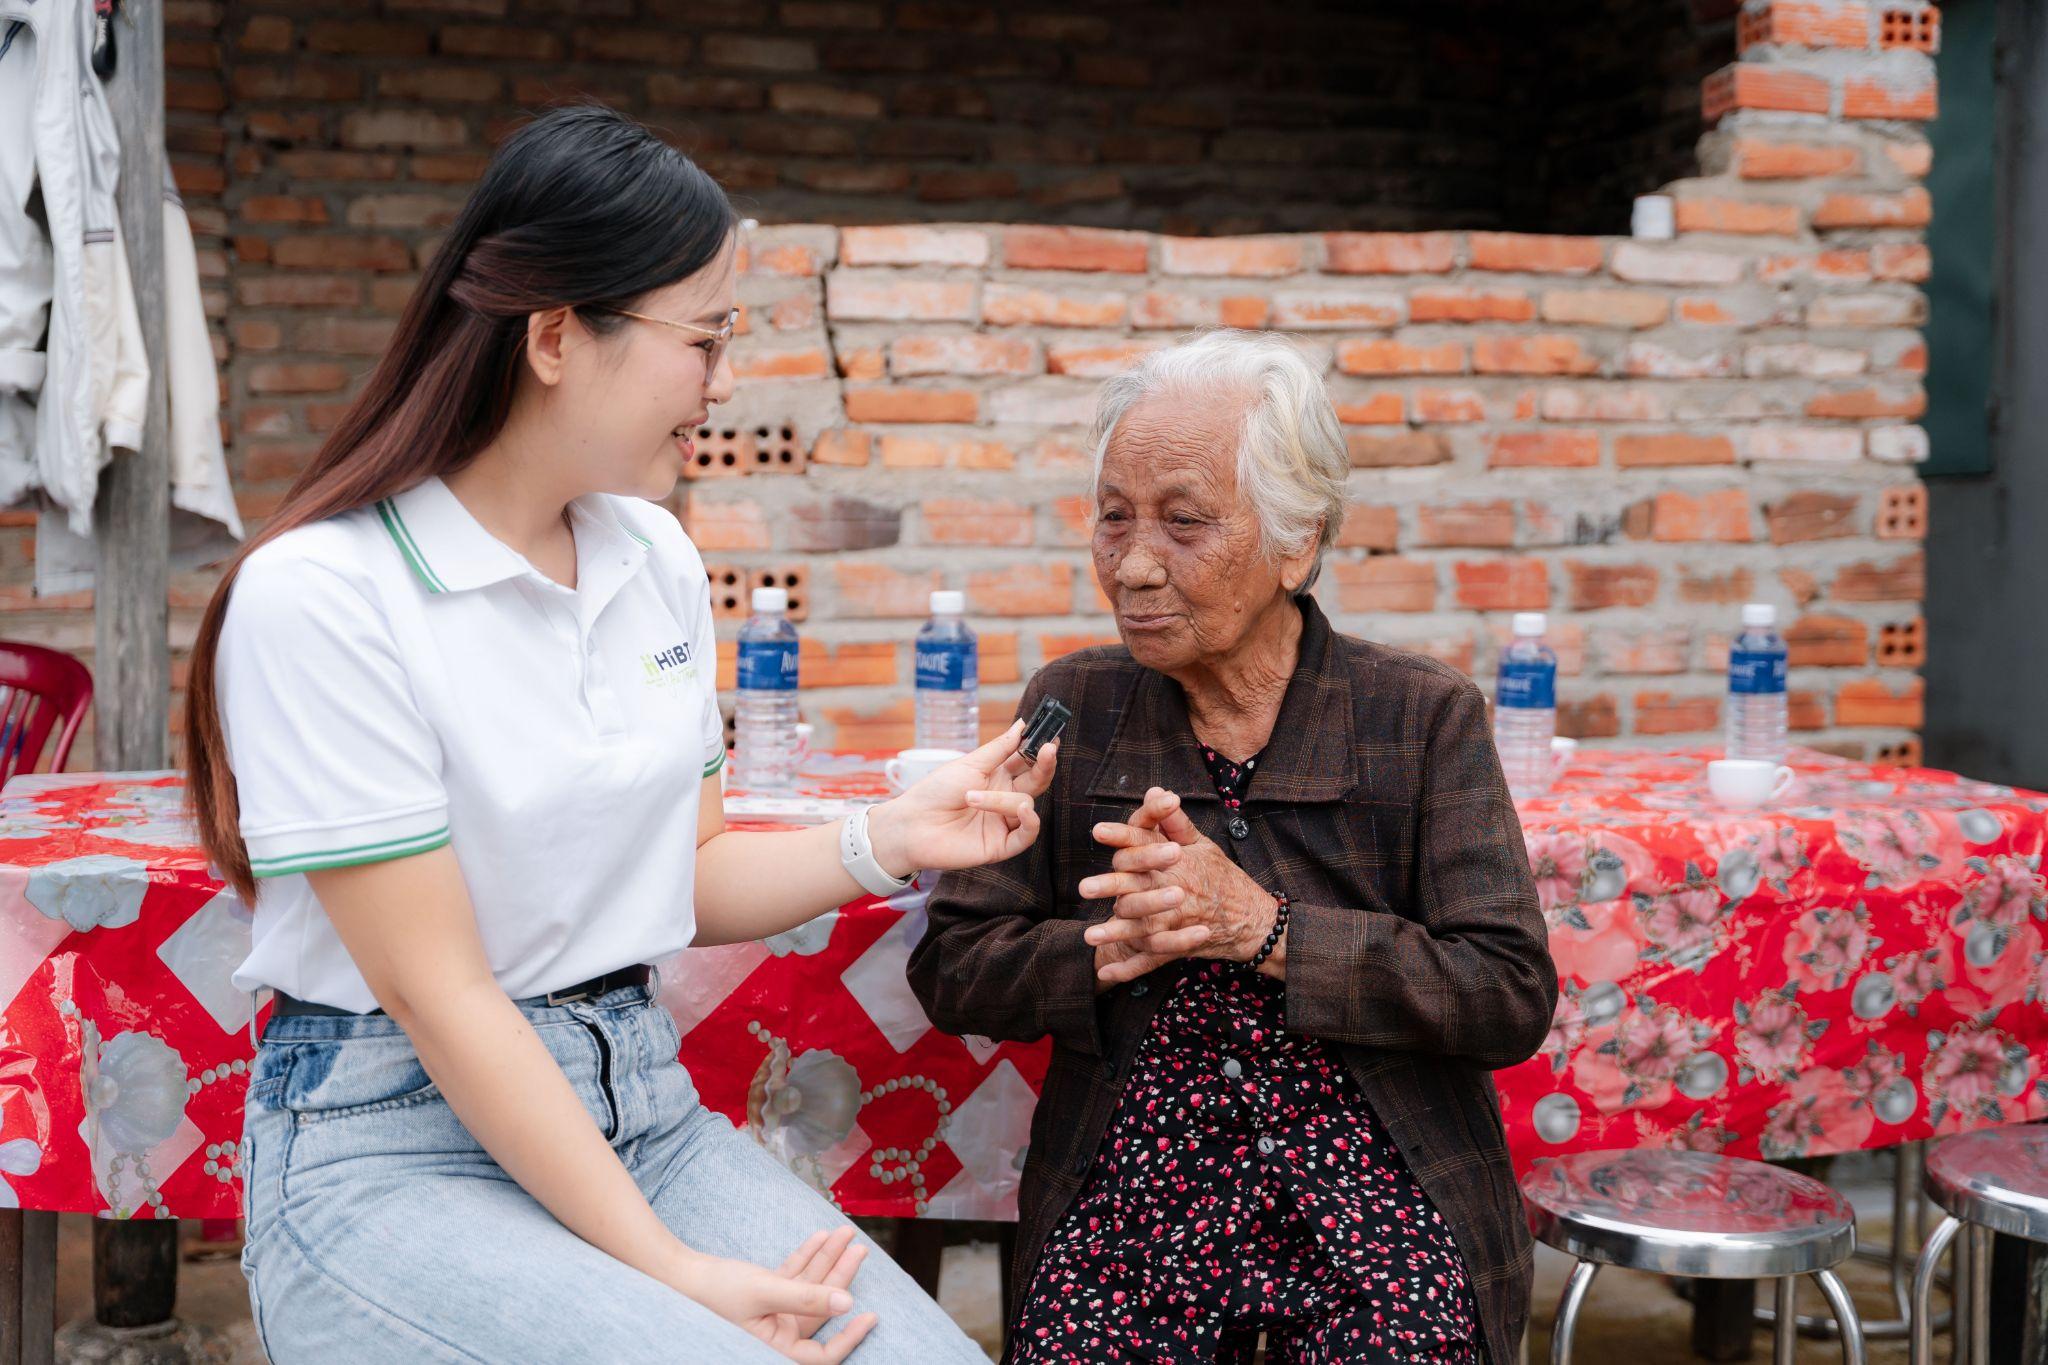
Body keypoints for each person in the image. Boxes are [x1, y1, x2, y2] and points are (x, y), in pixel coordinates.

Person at [183, 105, 1045, 1364]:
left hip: (638, 1111)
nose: (725, 385)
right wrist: (668, 1273)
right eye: (705, 342)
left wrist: (888, 836)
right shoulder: (324, 596)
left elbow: (682, 877)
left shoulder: (652, 557)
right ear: (552, 338)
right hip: (391, 1150)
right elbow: (441, 995)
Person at [908, 331, 1555, 1364]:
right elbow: (954, 966)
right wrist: (1106, 947)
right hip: (1130, 1196)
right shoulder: (1075, 707)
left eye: (1182, 522)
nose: (1131, 564)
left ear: (1294, 542)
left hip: (1370, 1188)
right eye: (1112, 518)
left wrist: (1263, 929)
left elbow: (1506, 992)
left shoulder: (1418, 716)